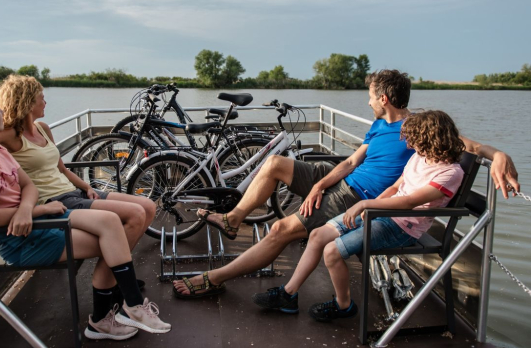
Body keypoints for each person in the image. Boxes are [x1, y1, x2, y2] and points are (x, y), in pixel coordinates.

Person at [172, 69, 520, 298]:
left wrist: (499, 154)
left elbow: (470, 147)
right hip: (342, 179)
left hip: (357, 195)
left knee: (281, 229)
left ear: (383, 98)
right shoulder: (379, 126)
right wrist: (317, 186)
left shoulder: (420, 129)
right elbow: (352, 161)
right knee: (277, 162)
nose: (367, 101)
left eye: (370, 96)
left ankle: (214, 279)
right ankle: (234, 219)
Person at [0, 86, 171, 340]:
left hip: (41, 220)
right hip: (20, 238)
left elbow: (28, 186)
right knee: (115, 237)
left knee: (113, 227)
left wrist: (27, 208)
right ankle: (119, 309)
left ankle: (122, 309)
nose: (0, 110)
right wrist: (39, 209)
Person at [251, 110, 465, 321]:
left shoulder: (450, 173)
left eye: (414, 140)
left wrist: (365, 205)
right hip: (382, 214)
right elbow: (395, 188)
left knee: (332, 251)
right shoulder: (420, 158)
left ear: (429, 138)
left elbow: (409, 202)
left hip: (401, 226)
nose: (409, 145)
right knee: (317, 235)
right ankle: (289, 294)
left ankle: (343, 306)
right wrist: (372, 208)